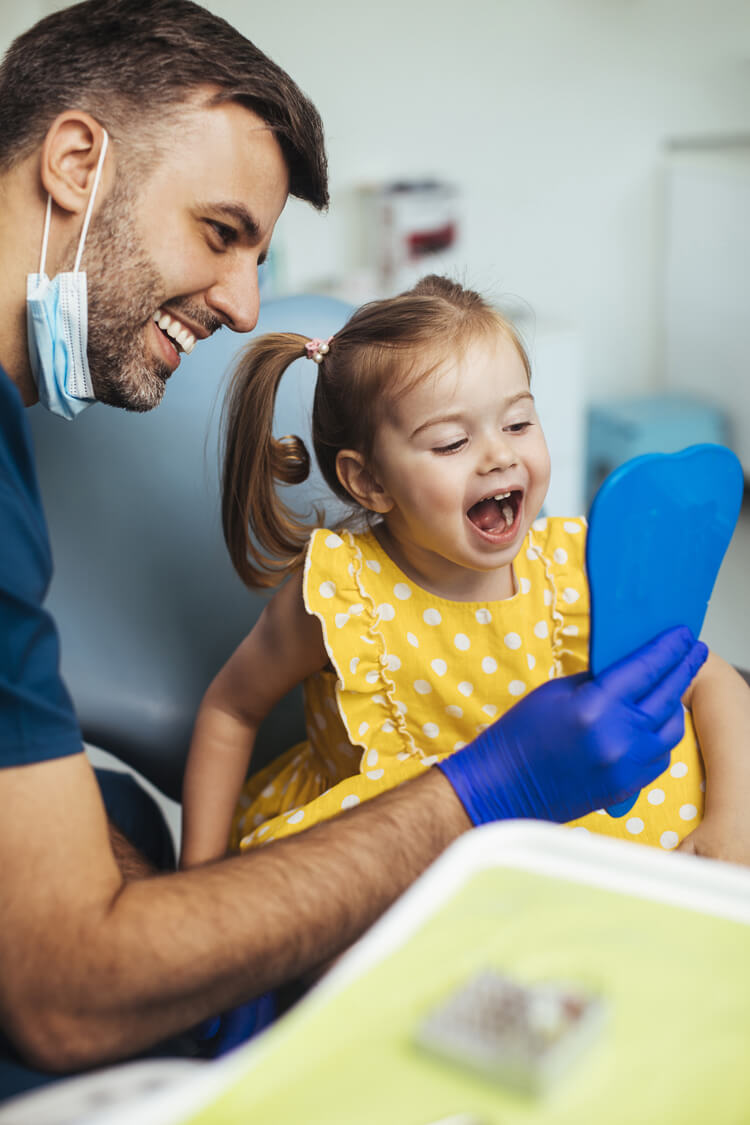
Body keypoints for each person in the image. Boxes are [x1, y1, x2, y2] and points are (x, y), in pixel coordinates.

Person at [0, 0, 707, 1100]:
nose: (243, 305)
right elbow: (66, 992)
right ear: (76, 162)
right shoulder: (340, 586)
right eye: (221, 233)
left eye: (518, 421)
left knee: (119, 814)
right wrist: (491, 785)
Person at [181, 272, 750, 868]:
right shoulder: (340, 596)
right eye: (452, 442)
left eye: (518, 423)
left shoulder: (579, 566)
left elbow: (707, 676)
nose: (501, 454)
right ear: (369, 481)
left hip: (564, 830)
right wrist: (194, 882)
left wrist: (731, 822)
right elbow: (231, 710)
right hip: (395, 845)